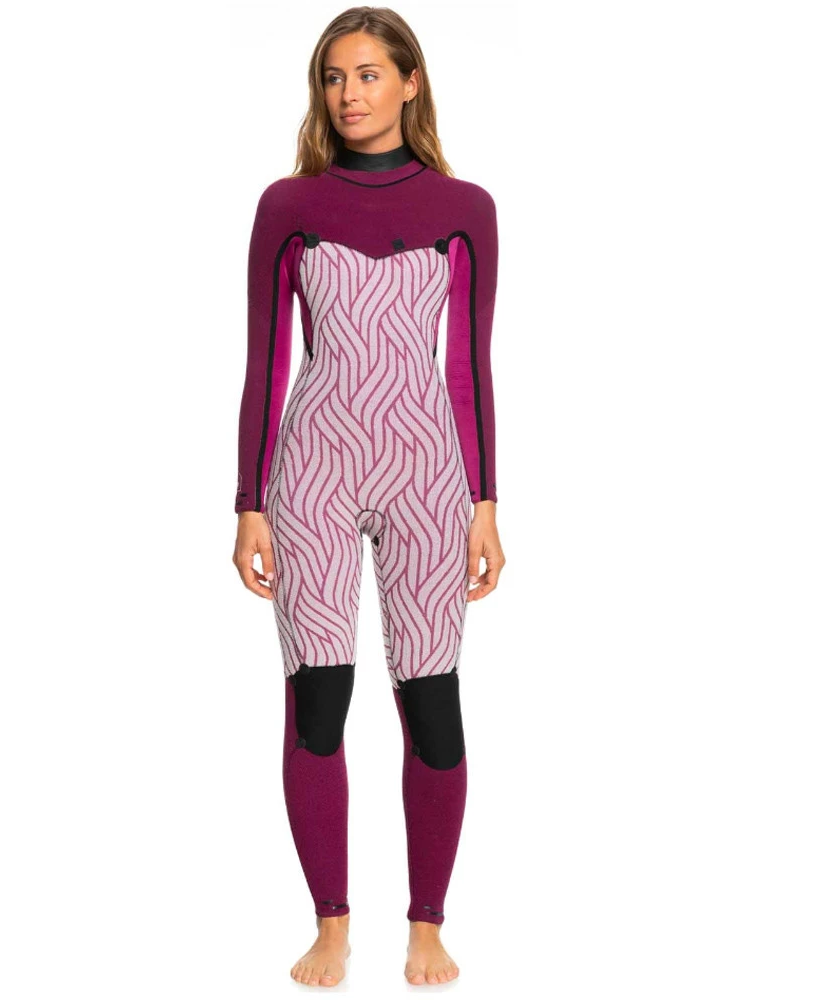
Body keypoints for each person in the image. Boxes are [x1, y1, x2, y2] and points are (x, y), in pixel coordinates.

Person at [232, 7, 506, 988]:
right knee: (318, 700)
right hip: (311, 472)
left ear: (409, 82)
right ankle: (332, 922)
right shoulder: (288, 205)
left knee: (432, 700)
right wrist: (249, 502)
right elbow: (267, 362)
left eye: (368, 74)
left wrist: (485, 502)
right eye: (333, 77)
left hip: (428, 475)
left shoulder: (465, 208)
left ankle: (426, 923)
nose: (349, 93)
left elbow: (467, 365)